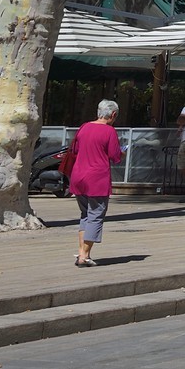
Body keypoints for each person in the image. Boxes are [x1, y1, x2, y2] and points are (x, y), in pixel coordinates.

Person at [69, 99, 125, 267]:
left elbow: (75, 149)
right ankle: (84, 255)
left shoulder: (84, 127)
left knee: (85, 214)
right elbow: (115, 156)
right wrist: (122, 154)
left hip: (79, 175)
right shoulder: (109, 131)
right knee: (95, 215)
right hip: (97, 178)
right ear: (113, 114)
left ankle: (81, 252)